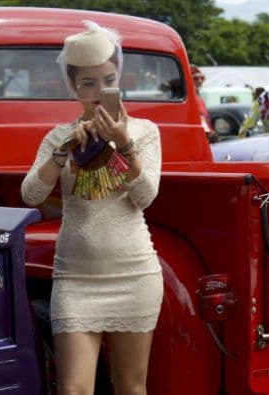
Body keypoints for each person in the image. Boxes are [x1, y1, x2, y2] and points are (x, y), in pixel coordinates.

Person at [21, 21, 163, 395]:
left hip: (134, 274)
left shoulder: (145, 131)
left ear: (119, 77)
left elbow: (146, 197)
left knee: (131, 386)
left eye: (108, 79)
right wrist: (64, 150)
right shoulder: (59, 137)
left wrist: (124, 144)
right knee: (73, 389)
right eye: (88, 83)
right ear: (73, 86)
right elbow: (32, 194)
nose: (100, 91)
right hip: (76, 280)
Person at [190, 65, 218, 142]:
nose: (200, 81)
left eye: (202, 78)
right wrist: (209, 133)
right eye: (195, 78)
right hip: (199, 137)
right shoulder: (191, 98)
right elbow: (200, 118)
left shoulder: (198, 97)